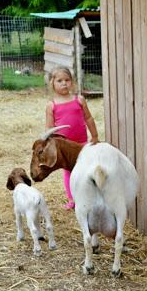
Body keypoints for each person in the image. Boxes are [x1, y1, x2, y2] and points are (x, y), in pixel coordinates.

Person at [45, 66, 99, 209]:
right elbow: (50, 128)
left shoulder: (79, 100)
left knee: (86, 168)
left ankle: (90, 195)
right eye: (60, 80)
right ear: (52, 83)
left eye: (67, 80)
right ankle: (72, 199)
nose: (64, 83)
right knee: (69, 171)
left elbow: (88, 118)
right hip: (65, 146)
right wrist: (52, 146)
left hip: (82, 143)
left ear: (72, 82)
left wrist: (95, 136)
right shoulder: (52, 105)